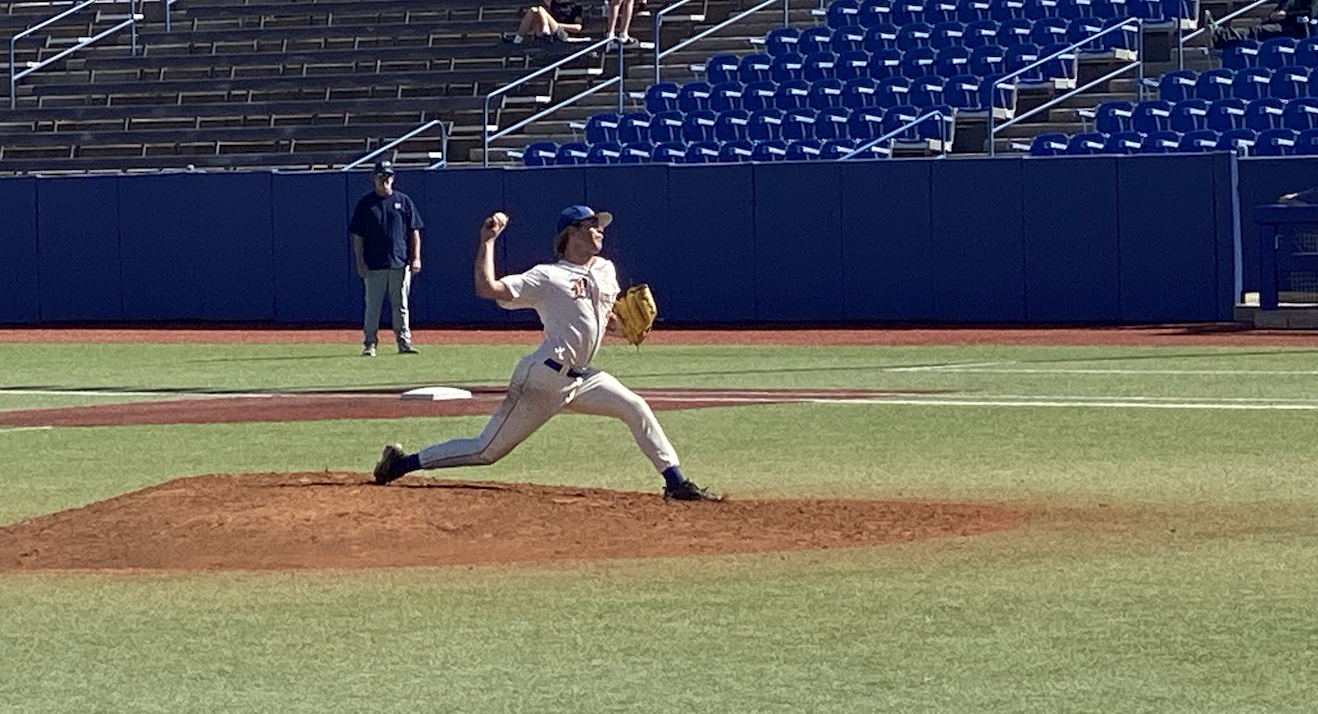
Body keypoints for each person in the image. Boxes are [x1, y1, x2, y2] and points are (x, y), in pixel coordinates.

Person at [371, 205, 721, 502]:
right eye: (592, 225)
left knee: (635, 407)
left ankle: (676, 482)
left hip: (583, 377)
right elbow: (486, 288)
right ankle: (400, 464)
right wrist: (487, 241)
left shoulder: (605, 270)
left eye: (600, 226)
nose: (600, 231)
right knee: (486, 451)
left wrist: (620, 326)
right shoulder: (547, 276)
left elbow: (605, 317)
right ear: (572, 232)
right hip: (543, 378)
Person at [349, 160, 424, 357]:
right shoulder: (366, 204)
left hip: (399, 263)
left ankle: (403, 342)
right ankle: (370, 344)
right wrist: (360, 262)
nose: (385, 180)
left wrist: (416, 258)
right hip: (374, 265)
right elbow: (358, 236)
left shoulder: (403, 201)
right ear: (374, 178)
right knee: (373, 308)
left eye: (388, 176)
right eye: (381, 177)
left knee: (401, 306)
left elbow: (414, 231)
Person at [1208, 0, 1314, 49]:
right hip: (1280, 23)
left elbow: (1310, 13)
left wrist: (1287, 14)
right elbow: (1280, 10)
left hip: (1296, 28)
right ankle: (1220, 38)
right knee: (1257, 30)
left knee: (1257, 31)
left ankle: (1219, 35)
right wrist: (1277, 14)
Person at [510, 0, 584, 44]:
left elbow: (578, 27)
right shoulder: (554, 3)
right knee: (533, 10)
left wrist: (559, 25)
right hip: (552, 29)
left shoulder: (575, 7)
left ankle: (546, 30)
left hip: (562, 33)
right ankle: (518, 39)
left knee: (541, 9)